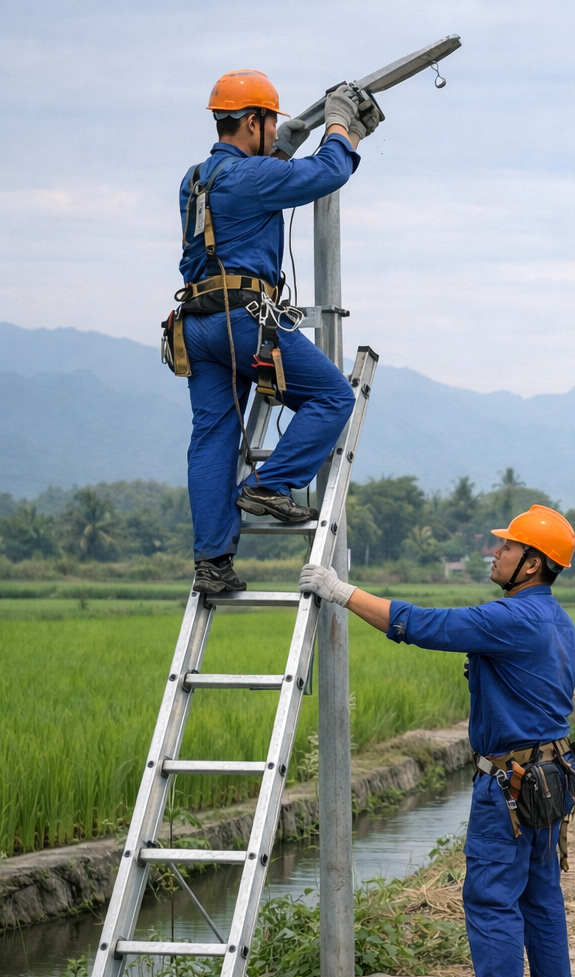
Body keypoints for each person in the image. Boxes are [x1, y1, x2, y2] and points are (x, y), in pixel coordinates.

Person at [299, 505, 575, 977]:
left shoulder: (513, 618)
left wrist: (342, 593)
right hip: (552, 780)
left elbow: (428, 626)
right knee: (541, 901)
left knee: (492, 902)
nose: (495, 552)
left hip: (511, 788)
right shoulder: (560, 622)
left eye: (507, 547)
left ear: (532, 564)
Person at [176, 70, 383, 594]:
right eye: (270, 122)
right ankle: (268, 485)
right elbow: (327, 174)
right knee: (335, 396)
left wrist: (280, 153)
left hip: (197, 324)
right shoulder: (250, 179)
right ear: (252, 121)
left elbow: (251, 195)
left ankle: (213, 565)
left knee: (214, 439)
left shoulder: (196, 178)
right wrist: (341, 129)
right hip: (242, 321)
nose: (275, 129)